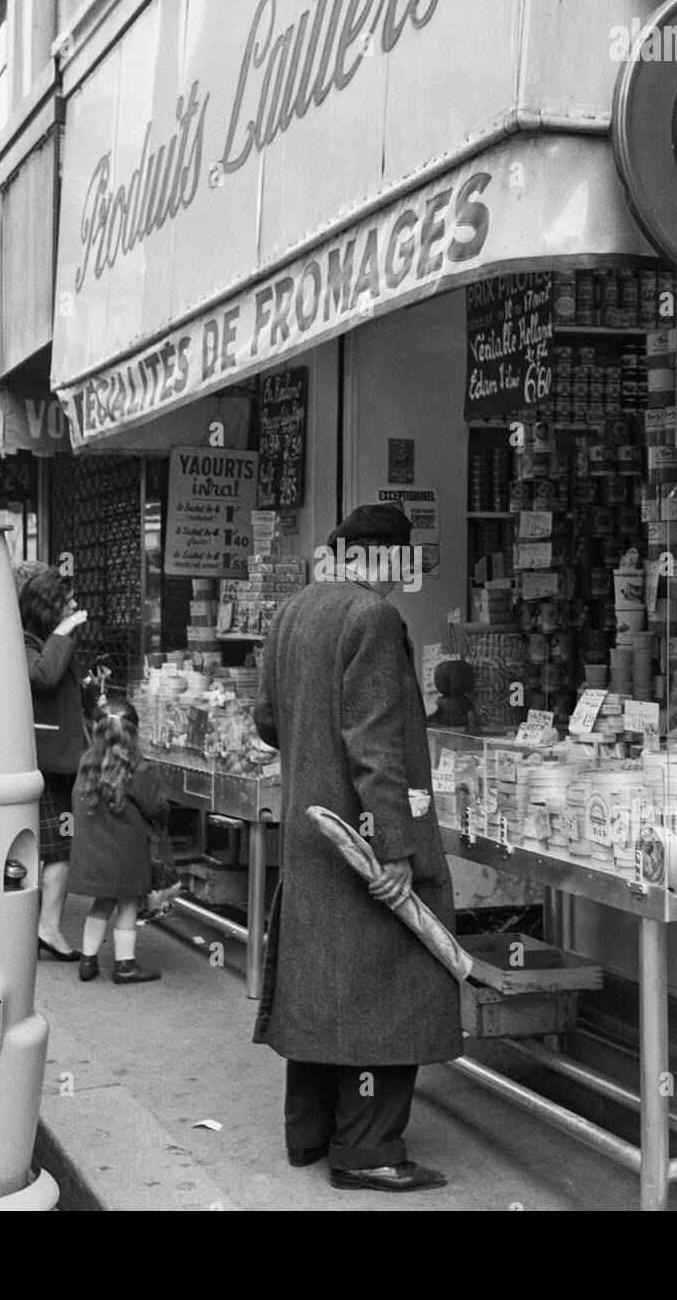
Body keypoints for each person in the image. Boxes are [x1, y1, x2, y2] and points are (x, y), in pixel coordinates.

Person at [252, 503, 462, 1193]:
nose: (406, 581)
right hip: (363, 844)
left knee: (319, 985)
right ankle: (369, 1150)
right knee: (388, 990)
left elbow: (266, 721)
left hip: (312, 838)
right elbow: (376, 746)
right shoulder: (371, 618)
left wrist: (313, 765)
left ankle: (310, 1134)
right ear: (382, 558)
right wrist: (395, 849)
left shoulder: (292, 612)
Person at [70, 698, 176, 985]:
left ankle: (88, 961)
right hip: (127, 853)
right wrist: (165, 813)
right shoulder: (138, 769)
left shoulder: (86, 764)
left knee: (101, 903)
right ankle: (125, 965)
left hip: (94, 852)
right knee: (128, 904)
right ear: (134, 732)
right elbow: (155, 808)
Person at [19, 566, 88, 961]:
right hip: (45, 764)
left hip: (54, 762)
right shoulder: (26, 642)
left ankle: (41, 927)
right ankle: (47, 929)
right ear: (49, 608)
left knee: (54, 849)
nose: (75, 606)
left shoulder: (40, 639)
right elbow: (43, 677)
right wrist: (64, 634)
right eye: (67, 601)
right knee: (57, 851)